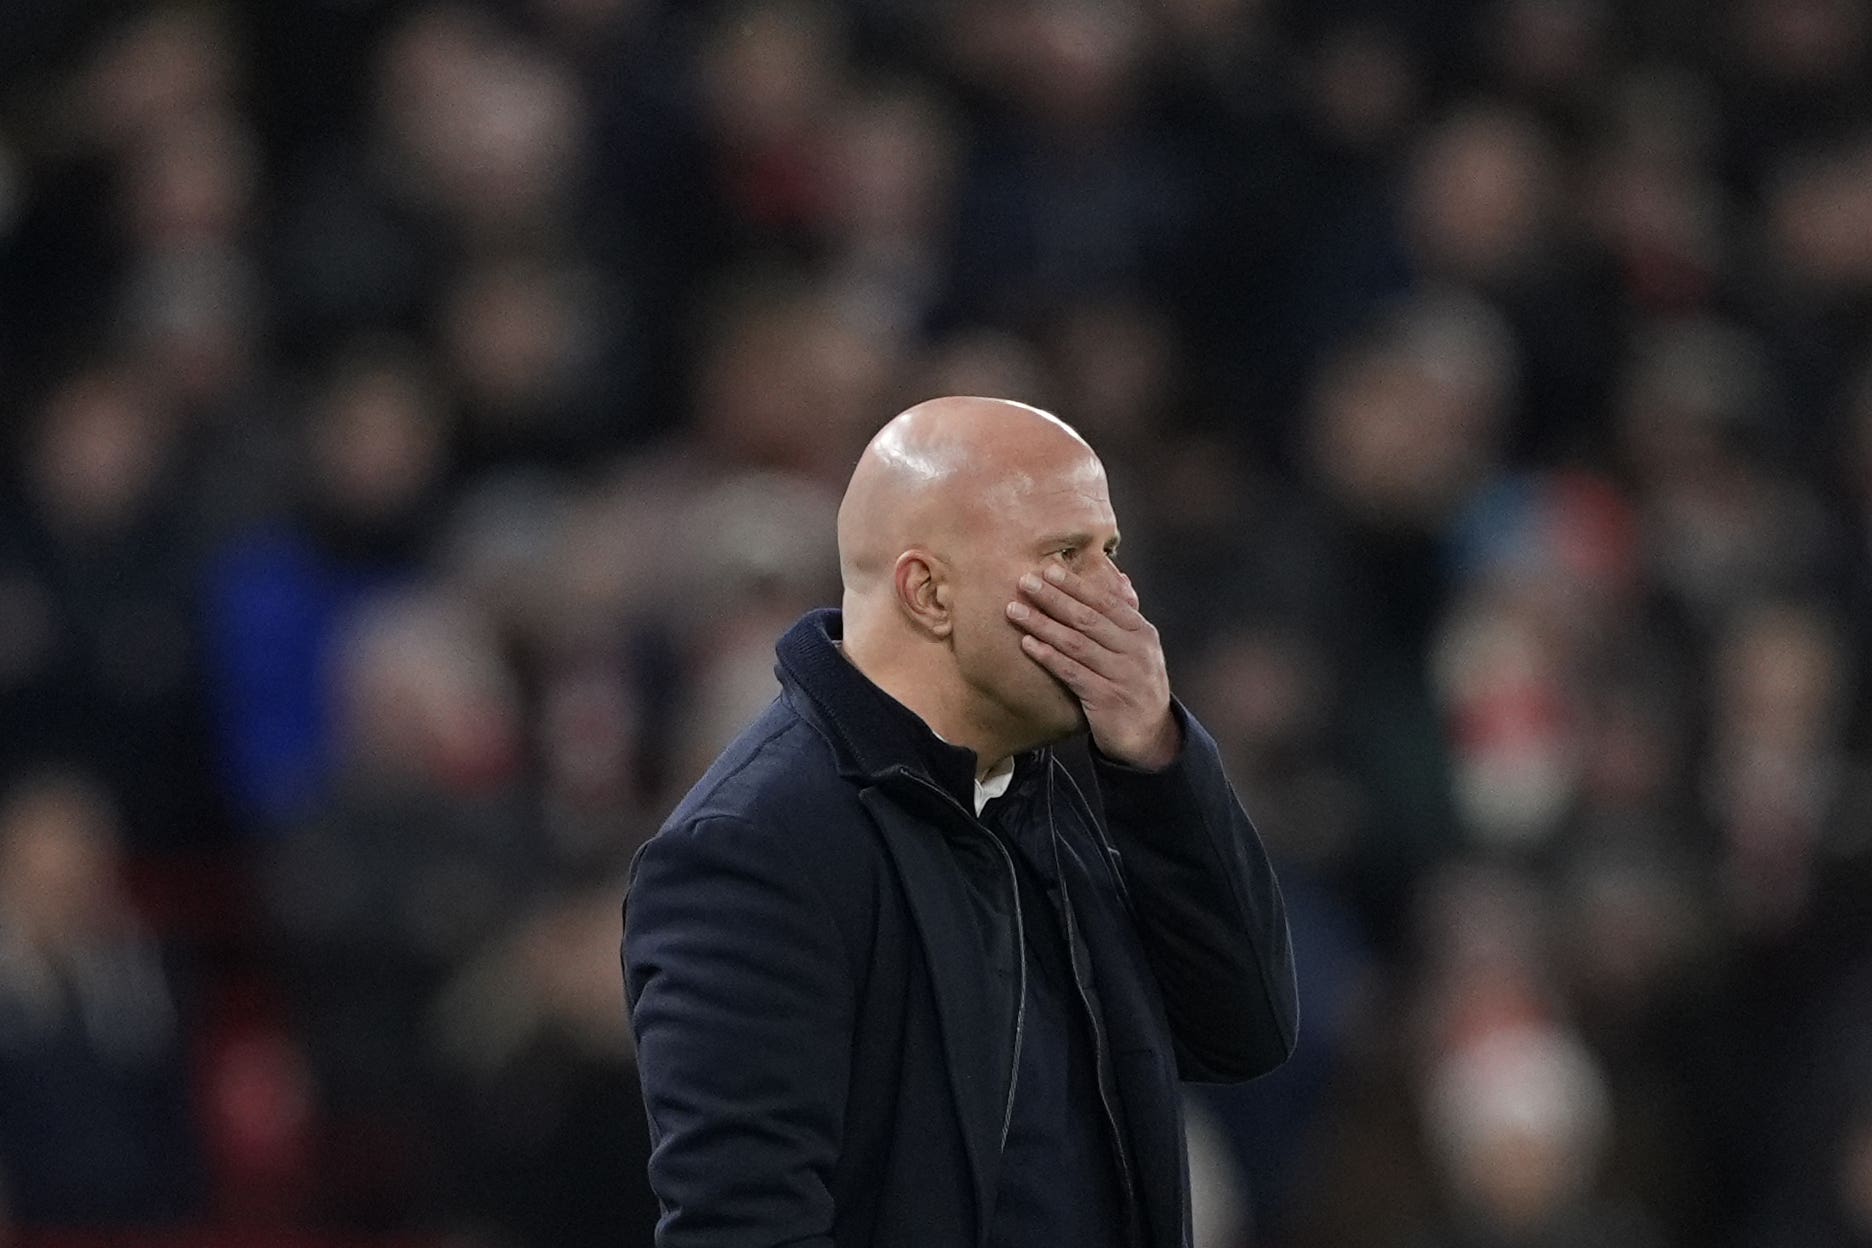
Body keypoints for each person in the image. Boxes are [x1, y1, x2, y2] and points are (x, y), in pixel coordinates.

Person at [622, 396, 1299, 1247]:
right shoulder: (753, 846)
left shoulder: (1057, 792)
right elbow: (744, 1226)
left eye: (1112, 553)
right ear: (929, 592)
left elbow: (1245, 1032)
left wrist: (1160, 761)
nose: (1121, 596)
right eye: (1067, 555)